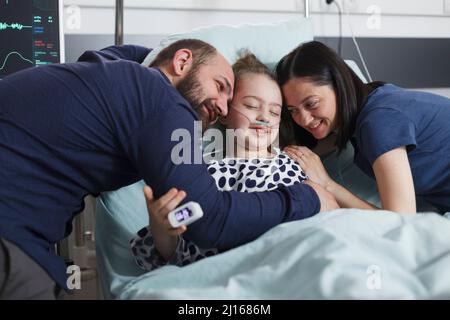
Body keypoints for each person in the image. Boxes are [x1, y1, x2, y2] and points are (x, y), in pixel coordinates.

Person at [0, 40, 337, 299]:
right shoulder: (159, 97)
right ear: (181, 61)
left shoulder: (116, 76)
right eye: (221, 86)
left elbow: (144, 54)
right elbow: (207, 222)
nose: (220, 107)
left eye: (275, 111)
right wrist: (308, 198)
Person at [130, 52, 313, 270]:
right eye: (252, 106)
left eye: (275, 112)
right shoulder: (200, 175)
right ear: (224, 113)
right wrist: (161, 230)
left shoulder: (295, 165)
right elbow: (173, 256)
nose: (264, 117)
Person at [277, 40, 450, 214]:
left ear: (339, 85)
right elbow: (305, 150)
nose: (304, 120)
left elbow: (400, 219)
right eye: (293, 110)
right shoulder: (371, 104)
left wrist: (327, 184)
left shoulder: (378, 122)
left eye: (311, 103)